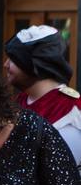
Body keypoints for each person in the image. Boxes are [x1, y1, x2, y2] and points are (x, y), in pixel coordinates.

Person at [5, 25, 81, 164]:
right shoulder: (18, 101)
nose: (6, 65)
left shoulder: (68, 109)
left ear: (33, 65)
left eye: (13, 59)